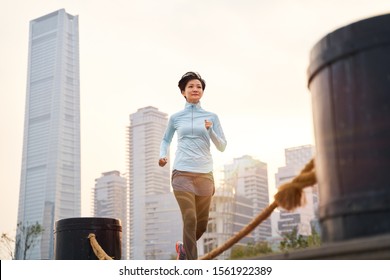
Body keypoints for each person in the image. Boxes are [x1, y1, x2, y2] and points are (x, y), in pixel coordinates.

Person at [159, 71, 227, 260]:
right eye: (191, 86)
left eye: (198, 86)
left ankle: (183, 248)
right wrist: (162, 156)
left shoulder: (211, 116)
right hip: (182, 173)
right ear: (183, 92)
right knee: (189, 218)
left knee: (201, 225)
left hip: (205, 175)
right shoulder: (175, 118)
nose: (195, 89)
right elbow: (165, 140)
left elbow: (222, 146)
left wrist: (210, 130)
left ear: (202, 92)